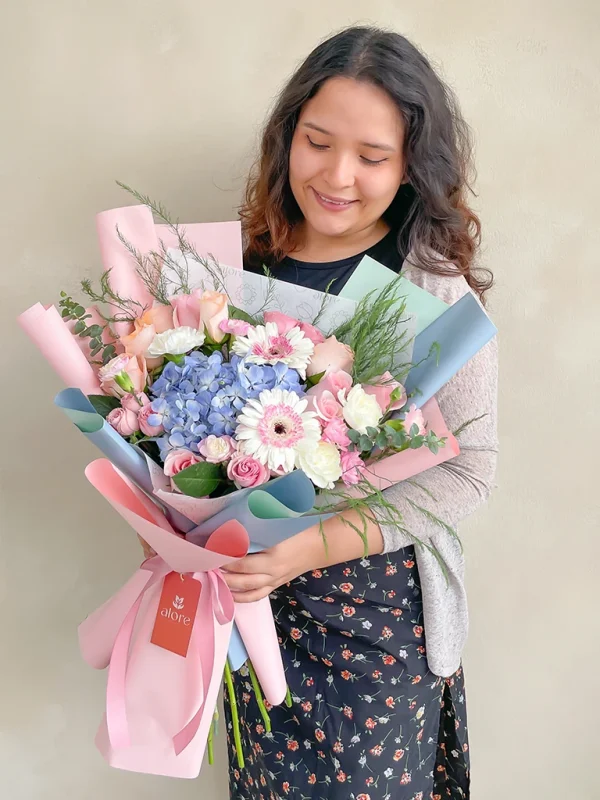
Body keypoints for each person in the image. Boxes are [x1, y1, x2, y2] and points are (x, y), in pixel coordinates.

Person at [221, 25, 498, 800]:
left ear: (412, 165)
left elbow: (469, 473)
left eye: (373, 157)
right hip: (255, 615)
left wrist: (310, 546)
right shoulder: (236, 271)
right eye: (317, 142)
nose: (339, 175)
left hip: (377, 628)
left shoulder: (433, 290)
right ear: (286, 141)